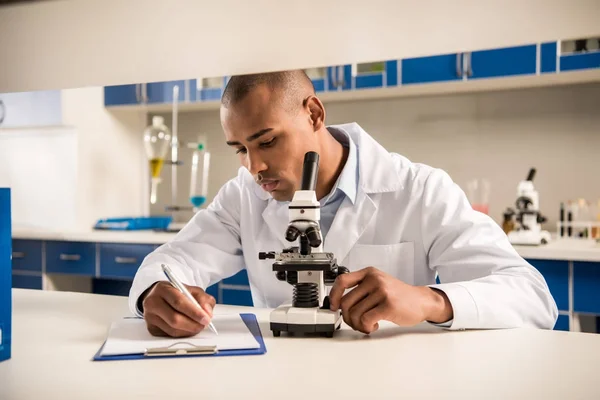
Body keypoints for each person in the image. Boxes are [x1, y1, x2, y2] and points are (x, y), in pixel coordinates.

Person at [129, 70, 558, 338]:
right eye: (239, 149)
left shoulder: (419, 189)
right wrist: (157, 293)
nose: (255, 166)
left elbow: (532, 297)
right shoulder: (244, 194)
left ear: (315, 114)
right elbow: (173, 260)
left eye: (267, 140)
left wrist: (428, 301)